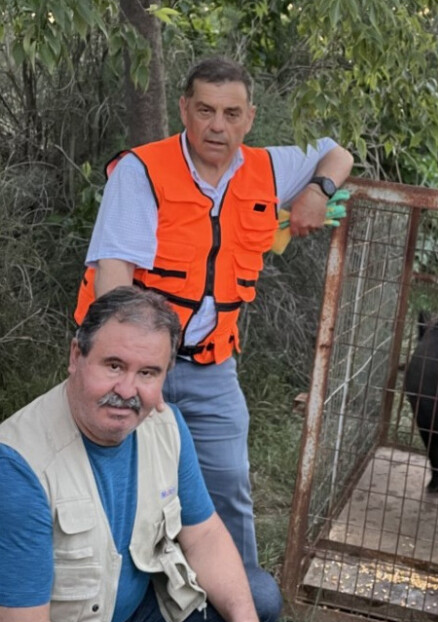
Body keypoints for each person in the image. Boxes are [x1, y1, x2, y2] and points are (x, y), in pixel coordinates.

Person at [74, 56, 354, 568]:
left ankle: (243, 608)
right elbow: (113, 283)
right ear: (184, 109)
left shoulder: (268, 167)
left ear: (250, 118)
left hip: (212, 366)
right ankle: (109, 604)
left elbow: (338, 154)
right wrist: (131, 371)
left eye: (231, 113)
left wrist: (318, 191)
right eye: (205, 110)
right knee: (106, 482)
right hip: (131, 361)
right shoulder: (143, 171)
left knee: (228, 488)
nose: (217, 126)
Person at [0, 287, 301, 622]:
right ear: (77, 356)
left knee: (260, 609)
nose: (126, 390)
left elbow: (203, 535)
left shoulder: (165, 426)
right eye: (114, 366)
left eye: (147, 373)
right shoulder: (11, 470)